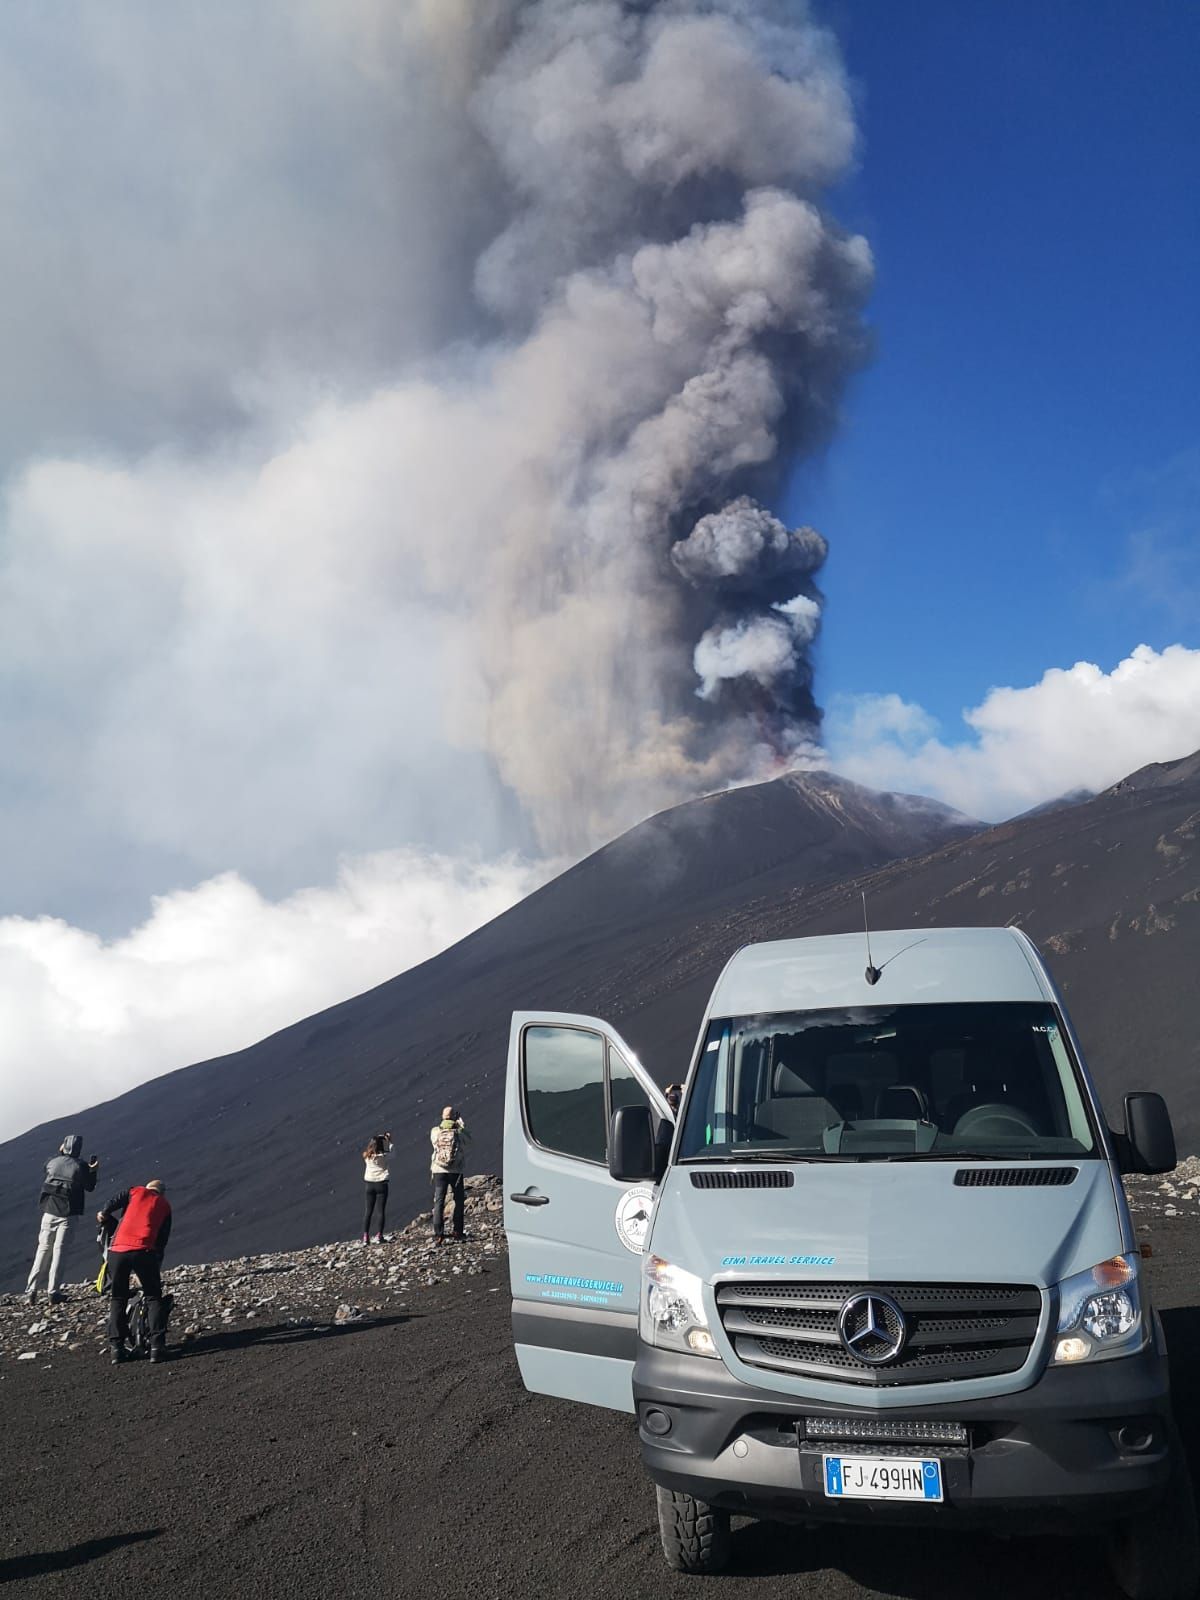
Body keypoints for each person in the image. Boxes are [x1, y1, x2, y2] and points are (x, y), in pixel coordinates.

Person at [98, 1178, 172, 1365]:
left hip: (118, 1251)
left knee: (118, 1297)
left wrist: (104, 1214)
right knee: (153, 1296)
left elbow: (112, 1202)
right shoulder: (164, 1205)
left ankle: (117, 1349)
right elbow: (162, 1241)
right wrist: (156, 1265)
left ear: (148, 1187)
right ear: (161, 1192)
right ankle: (157, 1347)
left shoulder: (134, 1192)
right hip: (143, 1251)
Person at [25, 1133, 99, 1305]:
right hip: (68, 1214)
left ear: (63, 1146)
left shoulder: (52, 1162)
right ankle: (53, 1292)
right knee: (59, 1252)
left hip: (49, 1211)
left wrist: (60, 1154)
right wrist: (93, 1171)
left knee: (43, 1250)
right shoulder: (80, 1166)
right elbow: (90, 1187)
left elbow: (48, 1168)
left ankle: (31, 1291)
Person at [430, 1105, 469, 1244]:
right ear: (454, 1117)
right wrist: (461, 1126)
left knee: (439, 1201)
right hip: (456, 1171)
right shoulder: (458, 1132)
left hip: (439, 1170)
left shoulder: (435, 1131)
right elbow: (468, 1142)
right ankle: (458, 1231)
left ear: (442, 1117)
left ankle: (438, 1234)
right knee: (458, 1200)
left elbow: (434, 1143)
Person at [361, 1132, 392, 1244]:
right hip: (381, 1184)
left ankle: (365, 1237)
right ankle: (379, 1236)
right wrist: (388, 1141)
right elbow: (394, 1153)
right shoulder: (384, 1156)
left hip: (369, 1184)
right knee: (380, 1211)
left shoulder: (366, 1156)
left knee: (368, 1211)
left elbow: (369, 1151)